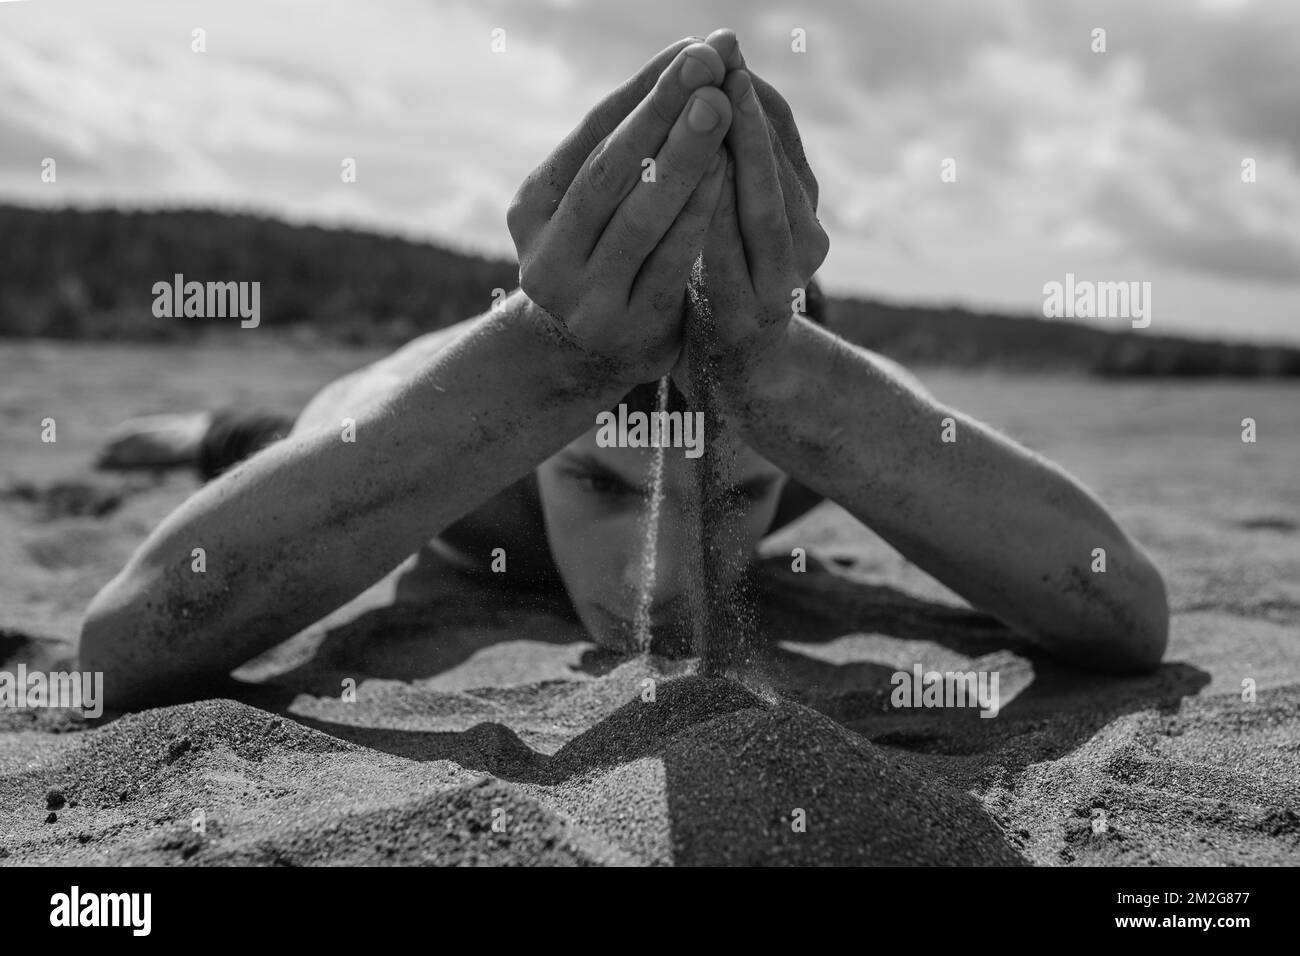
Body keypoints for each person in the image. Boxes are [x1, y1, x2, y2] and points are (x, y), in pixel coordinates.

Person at [79, 31, 1169, 710]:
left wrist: (787, 384)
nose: (667, 587)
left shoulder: (807, 419)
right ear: (547, 445)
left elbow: (1122, 613)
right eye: (603, 483)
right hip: (412, 431)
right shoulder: (472, 439)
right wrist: (541, 367)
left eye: (736, 496)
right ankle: (199, 424)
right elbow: (118, 648)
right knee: (261, 439)